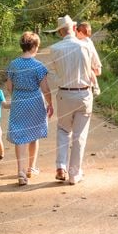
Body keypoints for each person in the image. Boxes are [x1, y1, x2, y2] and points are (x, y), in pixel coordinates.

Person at [47, 15, 93, 186]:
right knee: (80, 135)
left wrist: (61, 79)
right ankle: (74, 174)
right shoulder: (86, 46)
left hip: (65, 93)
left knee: (63, 130)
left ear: (60, 32)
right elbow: (95, 69)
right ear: (74, 28)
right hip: (83, 94)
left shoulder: (55, 49)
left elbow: (51, 72)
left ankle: (60, 166)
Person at [5, 31, 54, 186]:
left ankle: (20, 172)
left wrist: (17, 95)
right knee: (33, 135)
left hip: (19, 100)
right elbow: (45, 89)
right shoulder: (39, 66)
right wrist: (50, 103)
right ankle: (31, 168)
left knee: (19, 135)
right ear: (34, 47)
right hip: (34, 102)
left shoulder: (13, 64)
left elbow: (9, 86)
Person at [76, 20, 102, 95]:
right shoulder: (80, 39)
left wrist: (97, 65)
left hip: (90, 63)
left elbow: (93, 54)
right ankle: (93, 86)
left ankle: (96, 85)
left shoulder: (87, 41)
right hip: (87, 63)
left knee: (90, 72)